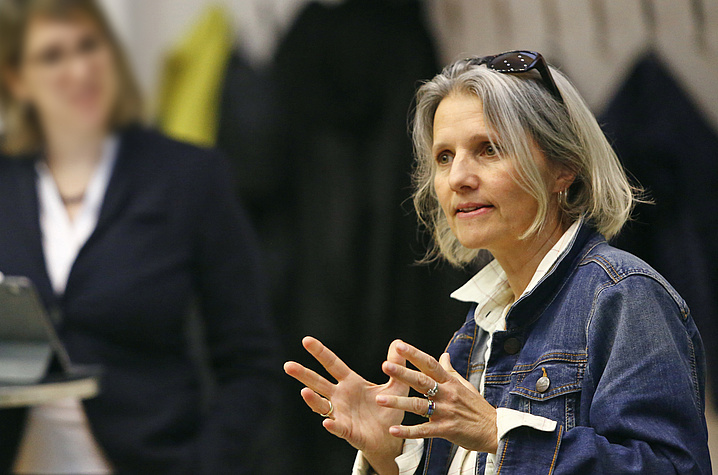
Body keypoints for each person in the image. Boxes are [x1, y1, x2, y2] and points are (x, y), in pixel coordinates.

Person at [284, 51, 711, 474]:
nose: (458, 178)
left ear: (564, 166)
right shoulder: (478, 325)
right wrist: (386, 456)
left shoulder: (625, 297)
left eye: (487, 149)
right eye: (444, 157)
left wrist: (497, 433)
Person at [0, 1, 280, 474]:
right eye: (53, 56)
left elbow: (249, 359)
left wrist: (203, 464)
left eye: (90, 46)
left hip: (150, 458)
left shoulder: (189, 175)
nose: (80, 69)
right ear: (16, 78)